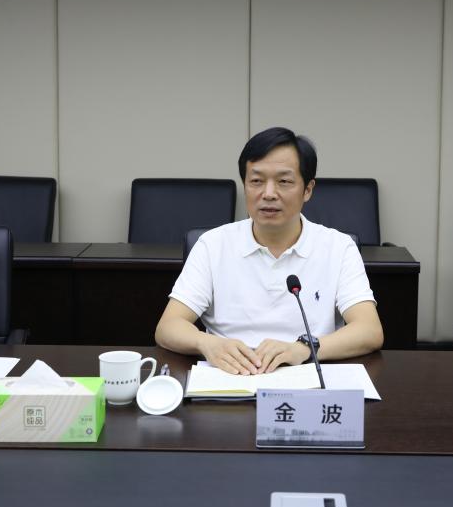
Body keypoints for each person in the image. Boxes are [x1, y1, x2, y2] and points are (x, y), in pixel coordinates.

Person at [155, 127, 384, 375]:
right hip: (231, 378)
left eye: (284, 182)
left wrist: (305, 348)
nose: (269, 194)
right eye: (256, 181)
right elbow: (168, 326)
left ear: (308, 189)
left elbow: (369, 330)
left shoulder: (338, 247)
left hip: (308, 377)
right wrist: (207, 343)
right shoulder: (213, 245)